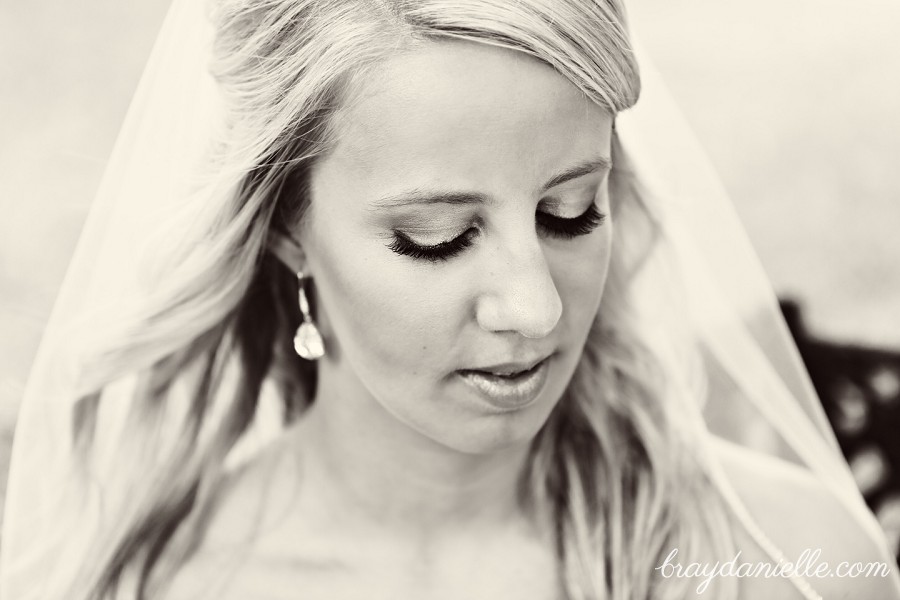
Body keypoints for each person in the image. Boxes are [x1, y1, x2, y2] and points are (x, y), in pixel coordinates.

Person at [2, 0, 899, 599]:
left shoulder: (794, 560)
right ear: (284, 227)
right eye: (438, 237)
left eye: (569, 212)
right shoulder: (155, 583)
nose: (536, 308)